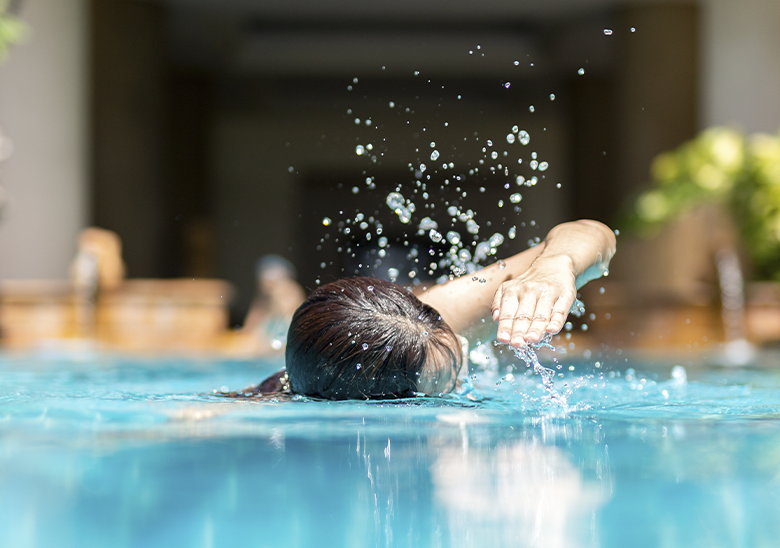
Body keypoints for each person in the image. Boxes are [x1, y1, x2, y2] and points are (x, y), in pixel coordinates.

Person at [237, 220, 616, 400]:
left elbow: (593, 232)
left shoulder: (426, 322)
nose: (462, 366)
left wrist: (556, 264)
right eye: (446, 383)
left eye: (457, 350)